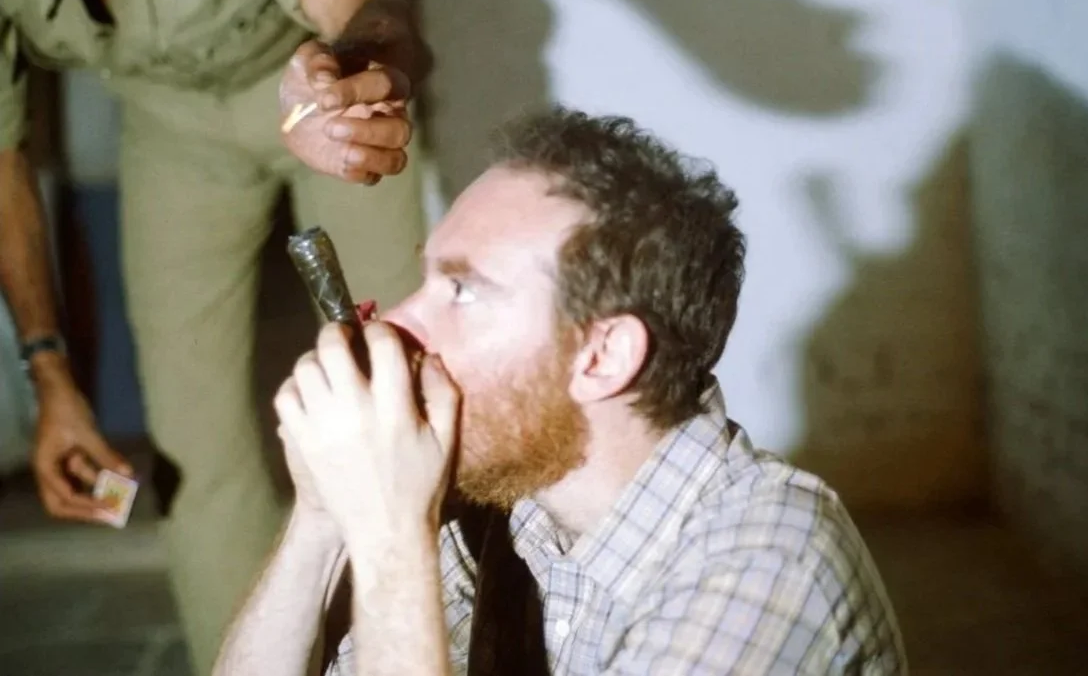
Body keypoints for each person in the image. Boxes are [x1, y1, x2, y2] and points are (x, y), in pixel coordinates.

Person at [214, 107, 909, 675]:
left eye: (461, 290)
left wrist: (390, 535)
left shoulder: (766, 568)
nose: (397, 320)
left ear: (602, 355)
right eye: (427, 279)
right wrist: (322, 517)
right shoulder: (518, 506)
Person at [0, 0, 431, 672]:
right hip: (169, 131)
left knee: (408, 387)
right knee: (191, 451)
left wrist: (353, 70)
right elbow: (3, 158)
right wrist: (50, 374)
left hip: (312, 93)